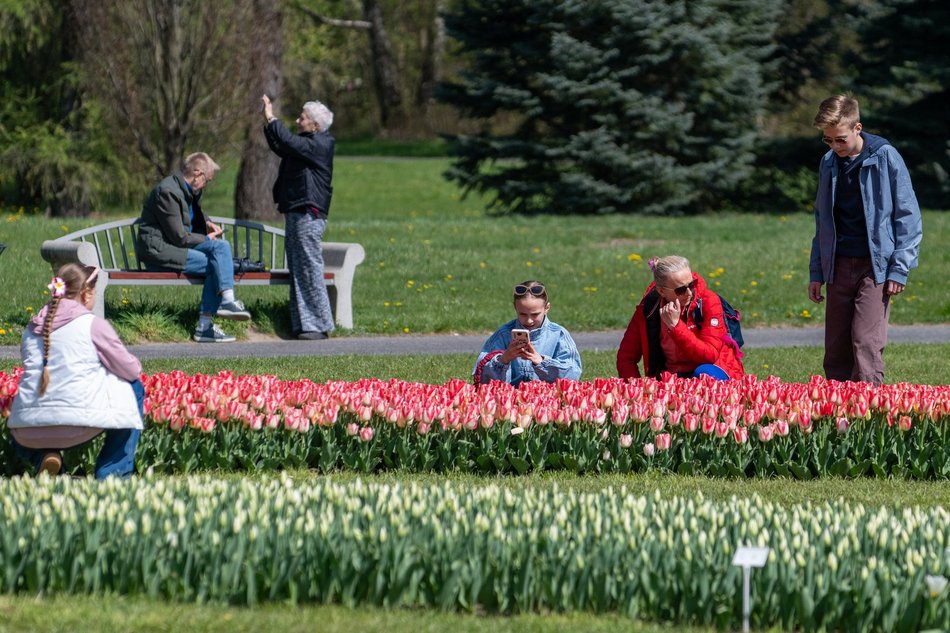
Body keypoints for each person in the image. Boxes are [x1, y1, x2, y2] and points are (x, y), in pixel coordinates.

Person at [808, 95, 923, 385]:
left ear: (857, 128)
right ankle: (836, 410)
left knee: (864, 342)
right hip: (837, 264)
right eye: (828, 140)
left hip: (875, 267)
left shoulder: (885, 156)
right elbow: (822, 221)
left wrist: (899, 267)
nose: (835, 146)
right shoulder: (829, 162)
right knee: (835, 346)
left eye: (840, 139)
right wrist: (817, 271)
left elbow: (907, 216)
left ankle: (868, 411)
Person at [7, 264, 144, 478]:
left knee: (22, 409)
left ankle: (46, 460)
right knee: (134, 387)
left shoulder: (31, 329)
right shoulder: (91, 324)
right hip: (77, 426)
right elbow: (130, 370)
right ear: (85, 293)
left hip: (26, 432)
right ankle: (113, 474)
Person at [136, 152, 251, 343]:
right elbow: (180, 237)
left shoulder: (189, 190)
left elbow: (195, 211)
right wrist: (206, 237)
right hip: (159, 252)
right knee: (219, 257)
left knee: (219, 252)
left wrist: (207, 222)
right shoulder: (168, 192)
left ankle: (219, 311)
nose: (207, 184)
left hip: (175, 248)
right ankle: (213, 317)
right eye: (208, 180)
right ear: (197, 173)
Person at [261, 94, 336, 341]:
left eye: (302, 118)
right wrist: (267, 122)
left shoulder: (319, 144)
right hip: (296, 210)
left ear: (315, 125)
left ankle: (318, 324)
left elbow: (287, 140)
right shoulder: (304, 145)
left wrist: (273, 118)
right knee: (297, 266)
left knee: (308, 267)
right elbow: (281, 145)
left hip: (308, 213)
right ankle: (303, 323)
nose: (297, 120)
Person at [616, 256, 744, 380]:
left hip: (714, 369)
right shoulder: (649, 309)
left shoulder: (709, 301)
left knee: (704, 374)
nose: (689, 293)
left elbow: (709, 356)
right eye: (681, 289)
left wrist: (676, 327)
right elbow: (626, 357)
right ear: (661, 291)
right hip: (674, 376)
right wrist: (636, 390)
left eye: (692, 284)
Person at [473, 281, 582, 386]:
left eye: (535, 315)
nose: (529, 320)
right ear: (515, 308)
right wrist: (503, 359)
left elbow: (573, 375)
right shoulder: (504, 334)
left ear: (546, 308)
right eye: (523, 314)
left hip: (546, 400)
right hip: (509, 400)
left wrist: (541, 362)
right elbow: (481, 377)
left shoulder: (559, 334)